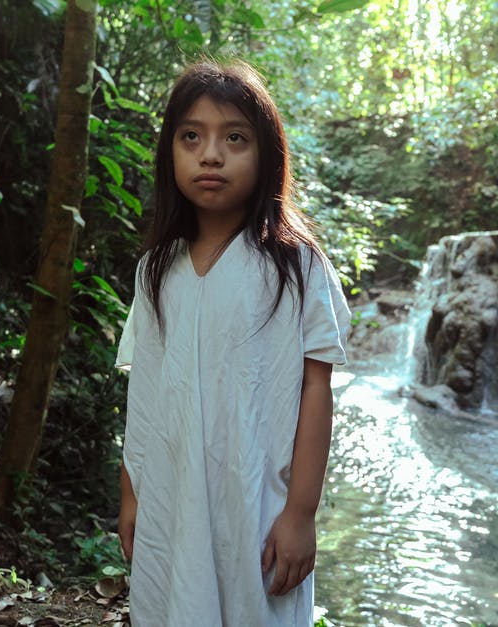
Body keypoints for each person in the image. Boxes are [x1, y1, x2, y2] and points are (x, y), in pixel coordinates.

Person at [114, 59, 351, 626]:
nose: (210, 154)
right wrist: (131, 495)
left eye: (235, 138)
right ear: (170, 151)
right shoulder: (157, 269)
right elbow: (144, 393)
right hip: (172, 497)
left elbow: (316, 390)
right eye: (191, 136)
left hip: (259, 503)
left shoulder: (295, 267)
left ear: (266, 154)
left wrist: (301, 513)